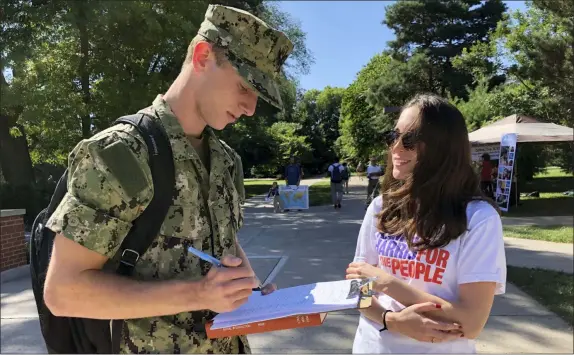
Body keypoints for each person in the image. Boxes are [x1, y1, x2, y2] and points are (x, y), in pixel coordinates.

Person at [42, 5, 294, 354]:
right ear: (203, 56)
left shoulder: (226, 160)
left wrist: (248, 292)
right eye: (244, 87)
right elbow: (64, 293)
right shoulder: (120, 154)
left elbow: (223, 244)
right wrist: (199, 294)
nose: (250, 108)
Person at [346, 94, 506, 353]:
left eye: (409, 140)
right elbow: (356, 288)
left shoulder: (479, 219)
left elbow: (471, 322)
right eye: (393, 137)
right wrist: (392, 321)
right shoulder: (380, 207)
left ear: (442, 148)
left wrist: (387, 284)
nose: (396, 148)